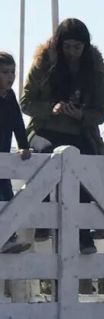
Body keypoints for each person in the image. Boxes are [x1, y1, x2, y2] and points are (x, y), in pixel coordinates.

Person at [20, 18, 104, 254]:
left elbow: (100, 112)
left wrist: (80, 114)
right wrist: (52, 108)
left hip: (80, 133)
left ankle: (83, 233)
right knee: (45, 155)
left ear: (85, 47)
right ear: (58, 45)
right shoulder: (42, 63)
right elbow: (26, 102)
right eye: (67, 46)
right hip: (44, 130)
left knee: (85, 165)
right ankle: (43, 219)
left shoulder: (96, 70)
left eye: (77, 47)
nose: (71, 52)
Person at [0, 51, 33, 254]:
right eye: (4, 72)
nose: (10, 77)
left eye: (12, 72)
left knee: (7, 196)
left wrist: (24, 145)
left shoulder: (10, 96)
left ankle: (8, 238)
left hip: (3, 154)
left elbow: (18, 124)